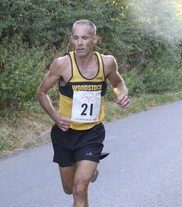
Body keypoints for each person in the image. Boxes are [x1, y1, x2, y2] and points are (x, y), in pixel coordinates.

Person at [36, 19, 130, 207]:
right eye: (76, 38)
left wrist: (122, 95)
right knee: (69, 189)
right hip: (65, 133)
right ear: (72, 39)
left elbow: (117, 84)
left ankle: (88, 166)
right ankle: (88, 169)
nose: (79, 43)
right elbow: (41, 92)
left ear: (94, 39)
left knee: (80, 188)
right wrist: (55, 116)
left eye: (84, 38)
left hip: (91, 133)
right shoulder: (62, 64)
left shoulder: (107, 63)